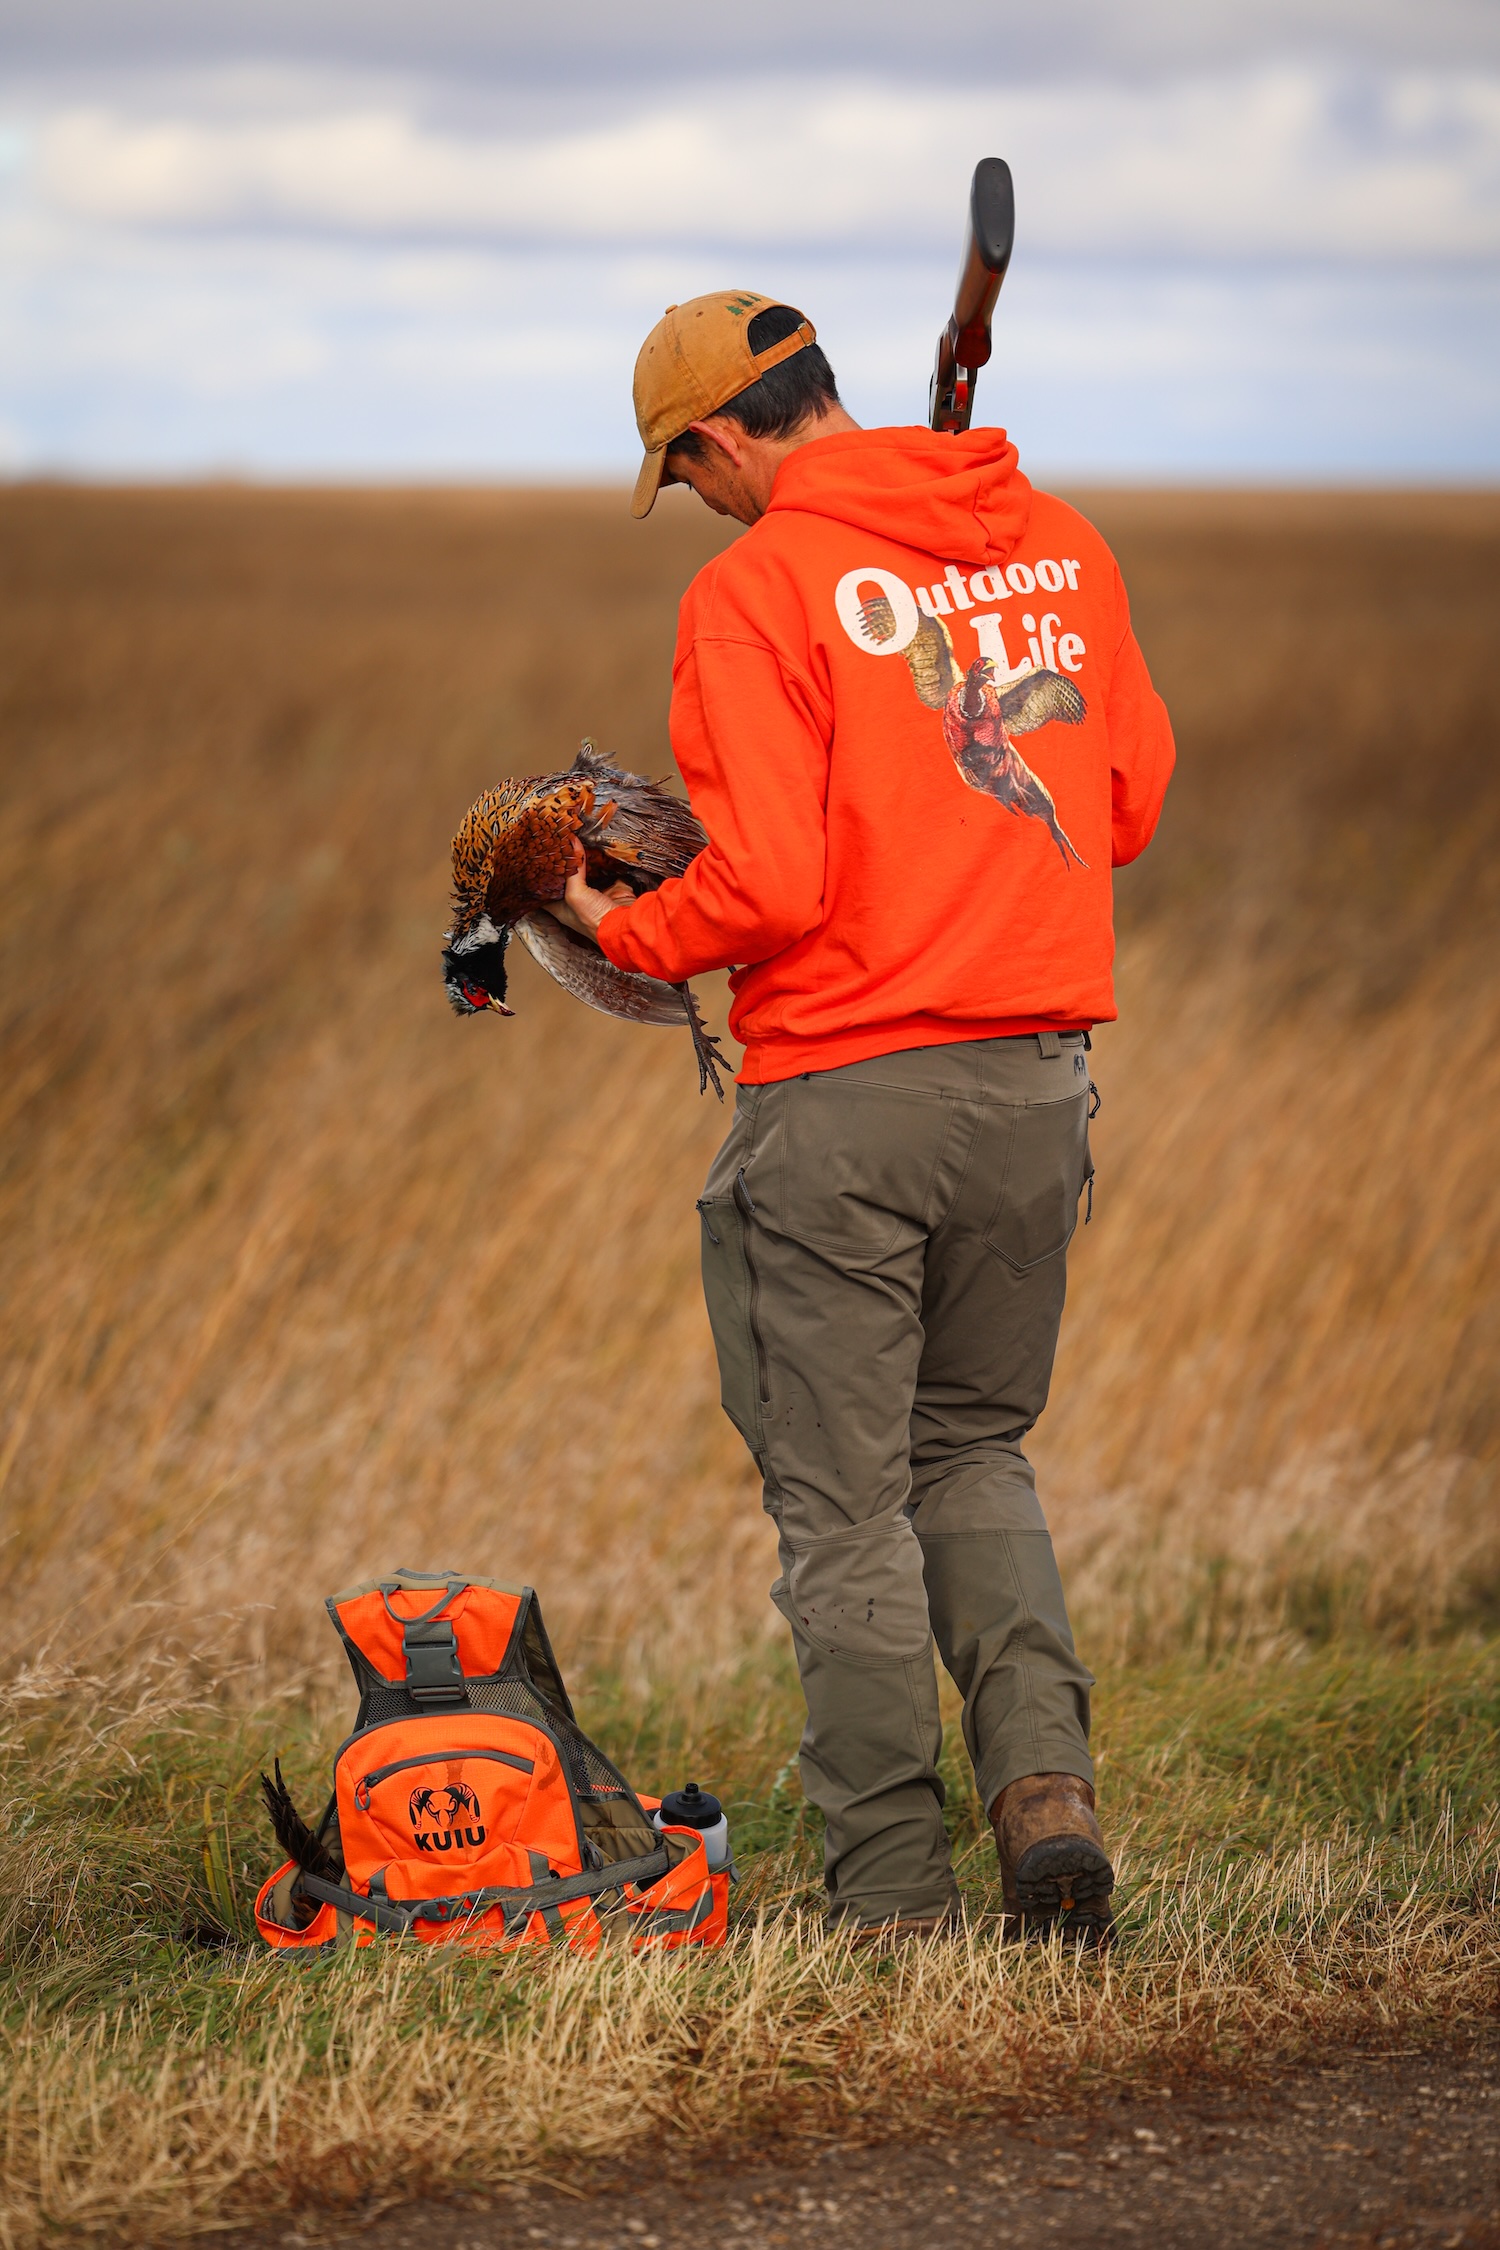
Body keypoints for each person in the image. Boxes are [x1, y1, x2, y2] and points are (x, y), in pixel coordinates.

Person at [554, 292, 1174, 1943]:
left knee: (842, 1508)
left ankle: (895, 1896)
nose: (699, 505)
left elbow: (769, 884)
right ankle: (1045, 1797)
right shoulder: (1059, 541)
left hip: (844, 1102)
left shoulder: (753, 590)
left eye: (686, 474)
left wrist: (621, 928)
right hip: (1037, 1088)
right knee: (973, 1449)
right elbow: (1124, 802)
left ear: (719, 436)